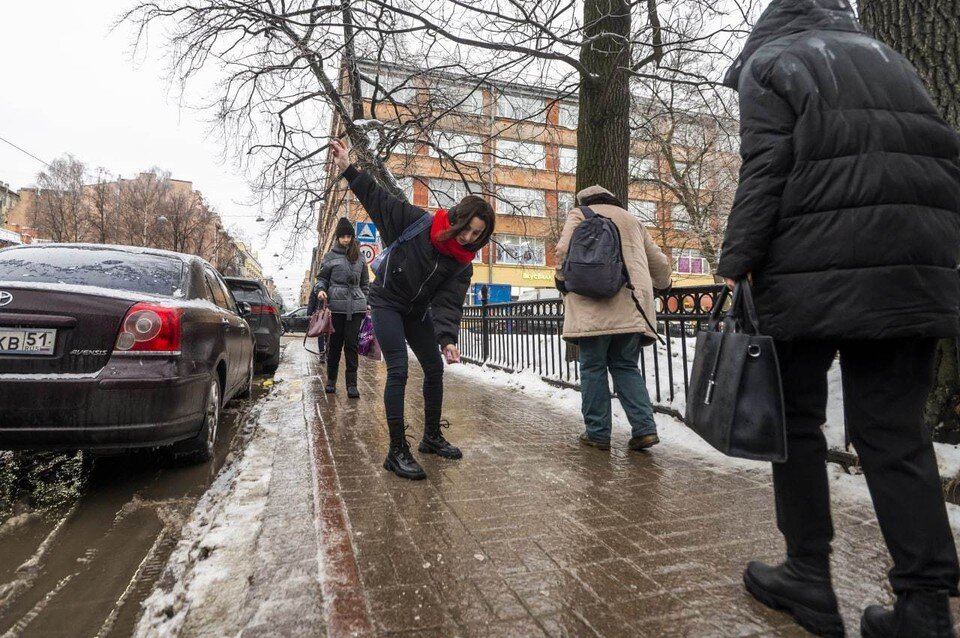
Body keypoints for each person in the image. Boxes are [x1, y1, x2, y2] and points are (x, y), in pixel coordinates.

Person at [716, 1, 960, 635]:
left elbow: (766, 167)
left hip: (813, 266)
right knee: (895, 433)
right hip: (914, 265)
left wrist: (735, 260)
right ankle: (926, 607)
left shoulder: (771, 64)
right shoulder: (892, 61)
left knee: (793, 422)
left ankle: (807, 575)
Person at [329, 139, 495, 480]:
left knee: (434, 368)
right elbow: (376, 197)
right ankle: (396, 450)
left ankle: (431, 437)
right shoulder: (416, 222)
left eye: (476, 236)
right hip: (387, 301)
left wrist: (447, 338)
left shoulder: (462, 264)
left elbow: (448, 303)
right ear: (457, 218)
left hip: (417, 311)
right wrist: (348, 167)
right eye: (466, 229)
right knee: (400, 369)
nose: (467, 238)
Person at [555, 185, 671, 452]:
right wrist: (663, 285)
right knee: (625, 366)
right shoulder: (633, 220)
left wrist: (561, 280)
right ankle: (644, 429)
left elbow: (562, 251)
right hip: (632, 304)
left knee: (593, 367)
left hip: (592, 304)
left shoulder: (580, 213)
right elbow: (660, 265)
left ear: (584, 200)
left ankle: (597, 433)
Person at [313, 217, 370, 398]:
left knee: (352, 346)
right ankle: (331, 381)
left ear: (352, 237)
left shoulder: (359, 257)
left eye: (349, 236)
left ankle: (352, 385)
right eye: (343, 236)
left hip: (356, 309)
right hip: (336, 308)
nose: (346, 239)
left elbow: (365, 284)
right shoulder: (330, 257)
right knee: (335, 345)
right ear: (337, 238)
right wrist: (321, 290)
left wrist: (365, 299)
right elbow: (321, 279)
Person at [305, 277, 328, 361]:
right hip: (321, 313)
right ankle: (323, 353)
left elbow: (311, 300)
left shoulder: (331, 284)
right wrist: (309, 313)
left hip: (324, 313)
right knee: (322, 334)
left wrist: (309, 313)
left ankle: (324, 353)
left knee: (325, 334)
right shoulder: (317, 286)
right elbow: (312, 300)